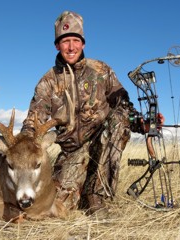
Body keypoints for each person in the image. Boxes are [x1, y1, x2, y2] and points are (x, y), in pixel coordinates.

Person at [21, 11, 146, 215]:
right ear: (56, 45)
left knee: (117, 120)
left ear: (83, 43)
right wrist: (23, 142)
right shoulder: (48, 81)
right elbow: (34, 120)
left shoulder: (101, 70)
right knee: (55, 207)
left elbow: (123, 106)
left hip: (102, 143)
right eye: (65, 41)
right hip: (73, 152)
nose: (71, 47)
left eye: (75, 41)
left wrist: (140, 122)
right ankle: (81, 190)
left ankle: (96, 194)